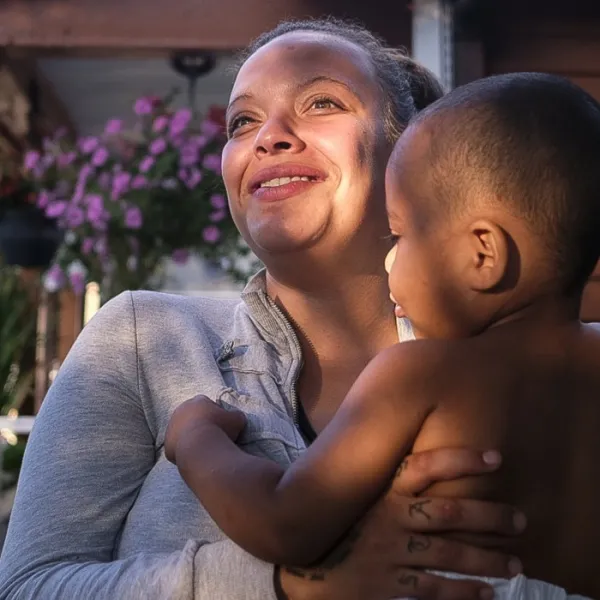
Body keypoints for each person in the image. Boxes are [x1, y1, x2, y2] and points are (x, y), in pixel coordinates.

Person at [0, 19, 527, 600]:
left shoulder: (508, 372)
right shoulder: (139, 337)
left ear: (407, 151)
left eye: (322, 102)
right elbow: (29, 586)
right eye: (242, 121)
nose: (268, 136)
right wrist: (283, 584)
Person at [165, 72, 600, 599]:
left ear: (483, 255)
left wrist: (194, 441)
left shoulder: (421, 372)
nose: (390, 259)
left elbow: (286, 522)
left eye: (401, 234)